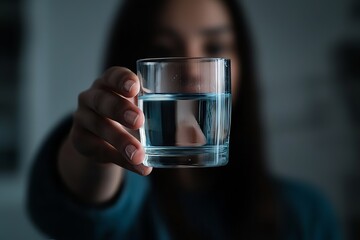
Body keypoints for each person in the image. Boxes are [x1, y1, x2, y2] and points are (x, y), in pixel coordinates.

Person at [26, 0, 343, 239]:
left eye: (215, 47)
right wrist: (96, 153)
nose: (192, 72)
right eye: (162, 49)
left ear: (243, 61)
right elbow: (76, 210)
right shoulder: (127, 208)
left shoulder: (306, 214)